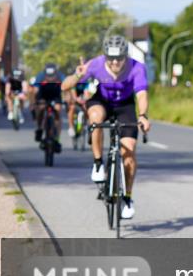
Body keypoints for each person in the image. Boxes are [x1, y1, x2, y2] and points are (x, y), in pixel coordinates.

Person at [62, 35, 150, 220]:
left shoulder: (137, 68)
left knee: (129, 153)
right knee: (95, 118)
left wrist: (142, 115)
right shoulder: (96, 64)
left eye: (119, 58)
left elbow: (141, 95)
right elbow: (65, 86)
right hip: (102, 101)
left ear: (126, 56)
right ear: (105, 56)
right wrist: (78, 74)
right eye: (111, 58)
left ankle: (127, 198)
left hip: (125, 105)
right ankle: (98, 164)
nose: (115, 62)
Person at [32, 63, 64, 152]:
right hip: (43, 95)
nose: (50, 78)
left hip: (55, 95)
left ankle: (57, 137)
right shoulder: (40, 75)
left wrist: (68, 99)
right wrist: (34, 102)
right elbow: (35, 90)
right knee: (41, 108)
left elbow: (66, 87)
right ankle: (39, 128)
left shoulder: (60, 75)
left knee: (58, 111)